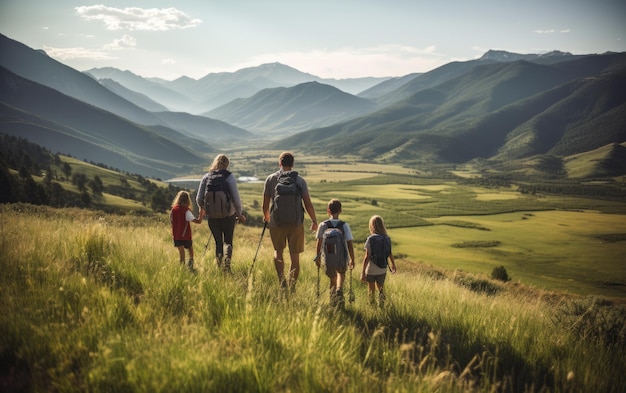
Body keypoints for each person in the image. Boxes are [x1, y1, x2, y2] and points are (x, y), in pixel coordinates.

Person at [262, 151, 318, 293]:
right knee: (295, 257)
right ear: (292, 164)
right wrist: (314, 220)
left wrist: (267, 217)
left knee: (278, 252)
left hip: (277, 222)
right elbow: (308, 204)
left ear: (279, 163)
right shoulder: (299, 180)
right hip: (296, 223)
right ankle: (292, 287)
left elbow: (265, 204)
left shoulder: (270, 179)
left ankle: (282, 282)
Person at [196, 154, 246, 272]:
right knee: (228, 241)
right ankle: (227, 268)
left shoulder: (206, 177)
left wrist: (204, 209)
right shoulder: (229, 177)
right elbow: (236, 199)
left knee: (218, 243)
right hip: (228, 216)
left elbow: (199, 198)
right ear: (227, 164)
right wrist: (240, 214)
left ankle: (219, 268)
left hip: (212, 217)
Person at [315, 199, 355, 307]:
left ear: (328, 210)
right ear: (340, 210)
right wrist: (352, 259)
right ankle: (339, 289)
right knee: (341, 274)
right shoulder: (344, 225)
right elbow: (350, 243)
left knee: (332, 279)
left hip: (327, 258)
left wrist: (317, 257)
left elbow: (319, 242)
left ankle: (332, 303)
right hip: (341, 257)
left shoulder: (323, 225)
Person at [361, 215, 397, 307]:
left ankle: (372, 306)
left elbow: (367, 257)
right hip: (383, 268)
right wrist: (393, 264)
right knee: (380, 287)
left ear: (372, 226)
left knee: (371, 289)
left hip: (372, 269)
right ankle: (382, 305)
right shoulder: (387, 238)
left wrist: (363, 272)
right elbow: (389, 253)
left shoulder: (371, 239)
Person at [170, 190, 202, 271]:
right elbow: (198, 222)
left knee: (182, 254)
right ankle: (190, 265)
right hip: (185, 236)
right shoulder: (186, 211)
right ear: (187, 200)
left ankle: (182, 270)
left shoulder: (173, 210)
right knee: (190, 249)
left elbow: (172, 221)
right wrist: (201, 214)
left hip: (176, 236)